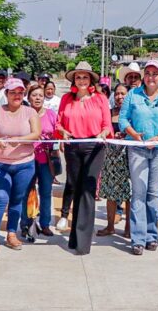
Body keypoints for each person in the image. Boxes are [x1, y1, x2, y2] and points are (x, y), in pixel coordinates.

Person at [119, 60, 158, 255]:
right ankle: (137, 238)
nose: (151, 77)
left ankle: (152, 235)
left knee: (153, 194)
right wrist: (134, 134)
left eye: (156, 73)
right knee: (138, 192)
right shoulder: (132, 95)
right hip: (137, 148)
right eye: (148, 73)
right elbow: (123, 119)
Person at [0, 78, 41, 256]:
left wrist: (20, 140)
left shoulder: (30, 112)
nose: (17, 96)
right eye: (13, 92)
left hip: (24, 165)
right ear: (6, 94)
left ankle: (12, 233)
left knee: (16, 200)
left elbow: (36, 133)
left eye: (20, 92)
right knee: (0, 199)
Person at [56, 61, 112, 255]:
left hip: (94, 147)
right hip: (73, 147)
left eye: (85, 77)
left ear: (91, 80)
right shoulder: (66, 99)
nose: (81, 80)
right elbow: (59, 123)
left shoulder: (100, 99)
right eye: (78, 76)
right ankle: (75, 237)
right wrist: (62, 132)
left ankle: (83, 242)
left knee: (88, 192)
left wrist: (104, 133)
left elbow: (107, 125)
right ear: (74, 79)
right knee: (76, 188)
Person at [20, 84, 58, 241]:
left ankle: (45, 224)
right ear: (28, 98)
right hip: (26, 158)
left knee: (45, 192)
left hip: (46, 160)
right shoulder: (24, 114)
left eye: (40, 95)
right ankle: (25, 224)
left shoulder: (51, 114)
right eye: (34, 95)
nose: (37, 98)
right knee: (26, 193)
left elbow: (58, 133)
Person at [97, 83, 132, 238]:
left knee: (130, 193)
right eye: (117, 94)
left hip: (129, 157)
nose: (120, 97)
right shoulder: (109, 113)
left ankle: (129, 228)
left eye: (123, 94)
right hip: (110, 158)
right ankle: (110, 226)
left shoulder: (133, 114)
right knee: (111, 193)